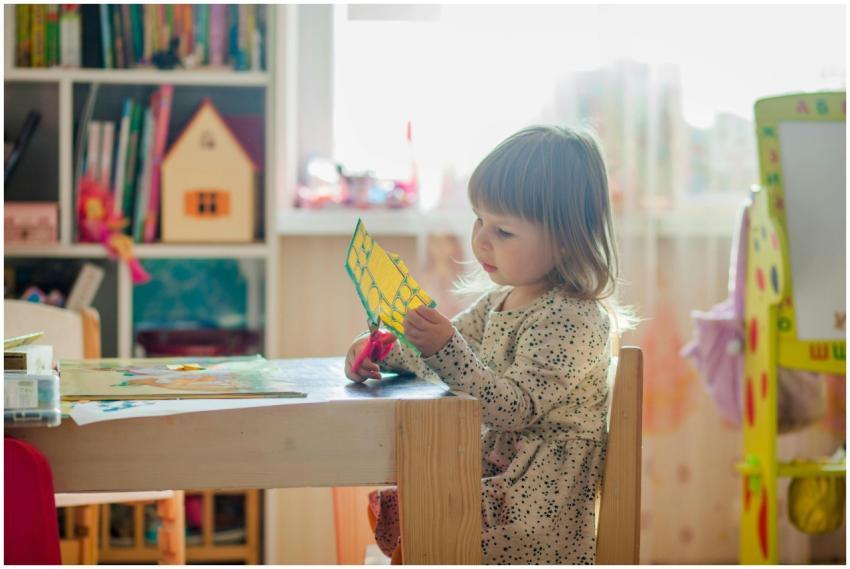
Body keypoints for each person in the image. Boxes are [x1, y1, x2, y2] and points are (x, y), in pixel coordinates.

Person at [345, 125, 632, 564]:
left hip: (534, 510)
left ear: (566, 238)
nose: (480, 238)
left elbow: (513, 407)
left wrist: (443, 347)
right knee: (418, 498)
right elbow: (442, 354)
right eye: (479, 219)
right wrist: (382, 351)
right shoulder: (498, 300)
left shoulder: (574, 318)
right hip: (499, 480)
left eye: (504, 231)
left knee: (429, 511)